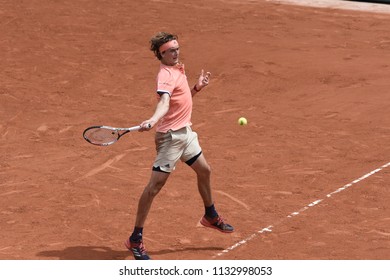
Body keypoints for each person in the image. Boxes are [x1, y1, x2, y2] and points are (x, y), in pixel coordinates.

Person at [125, 32, 234, 260]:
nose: (176, 53)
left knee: (204, 170)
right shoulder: (165, 75)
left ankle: (210, 216)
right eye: (171, 50)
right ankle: (135, 238)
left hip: (186, 134)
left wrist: (196, 89)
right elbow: (164, 102)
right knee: (154, 188)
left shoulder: (177, 69)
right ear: (161, 54)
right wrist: (154, 120)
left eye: (177, 48)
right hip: (170, 139)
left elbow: (179, 100)